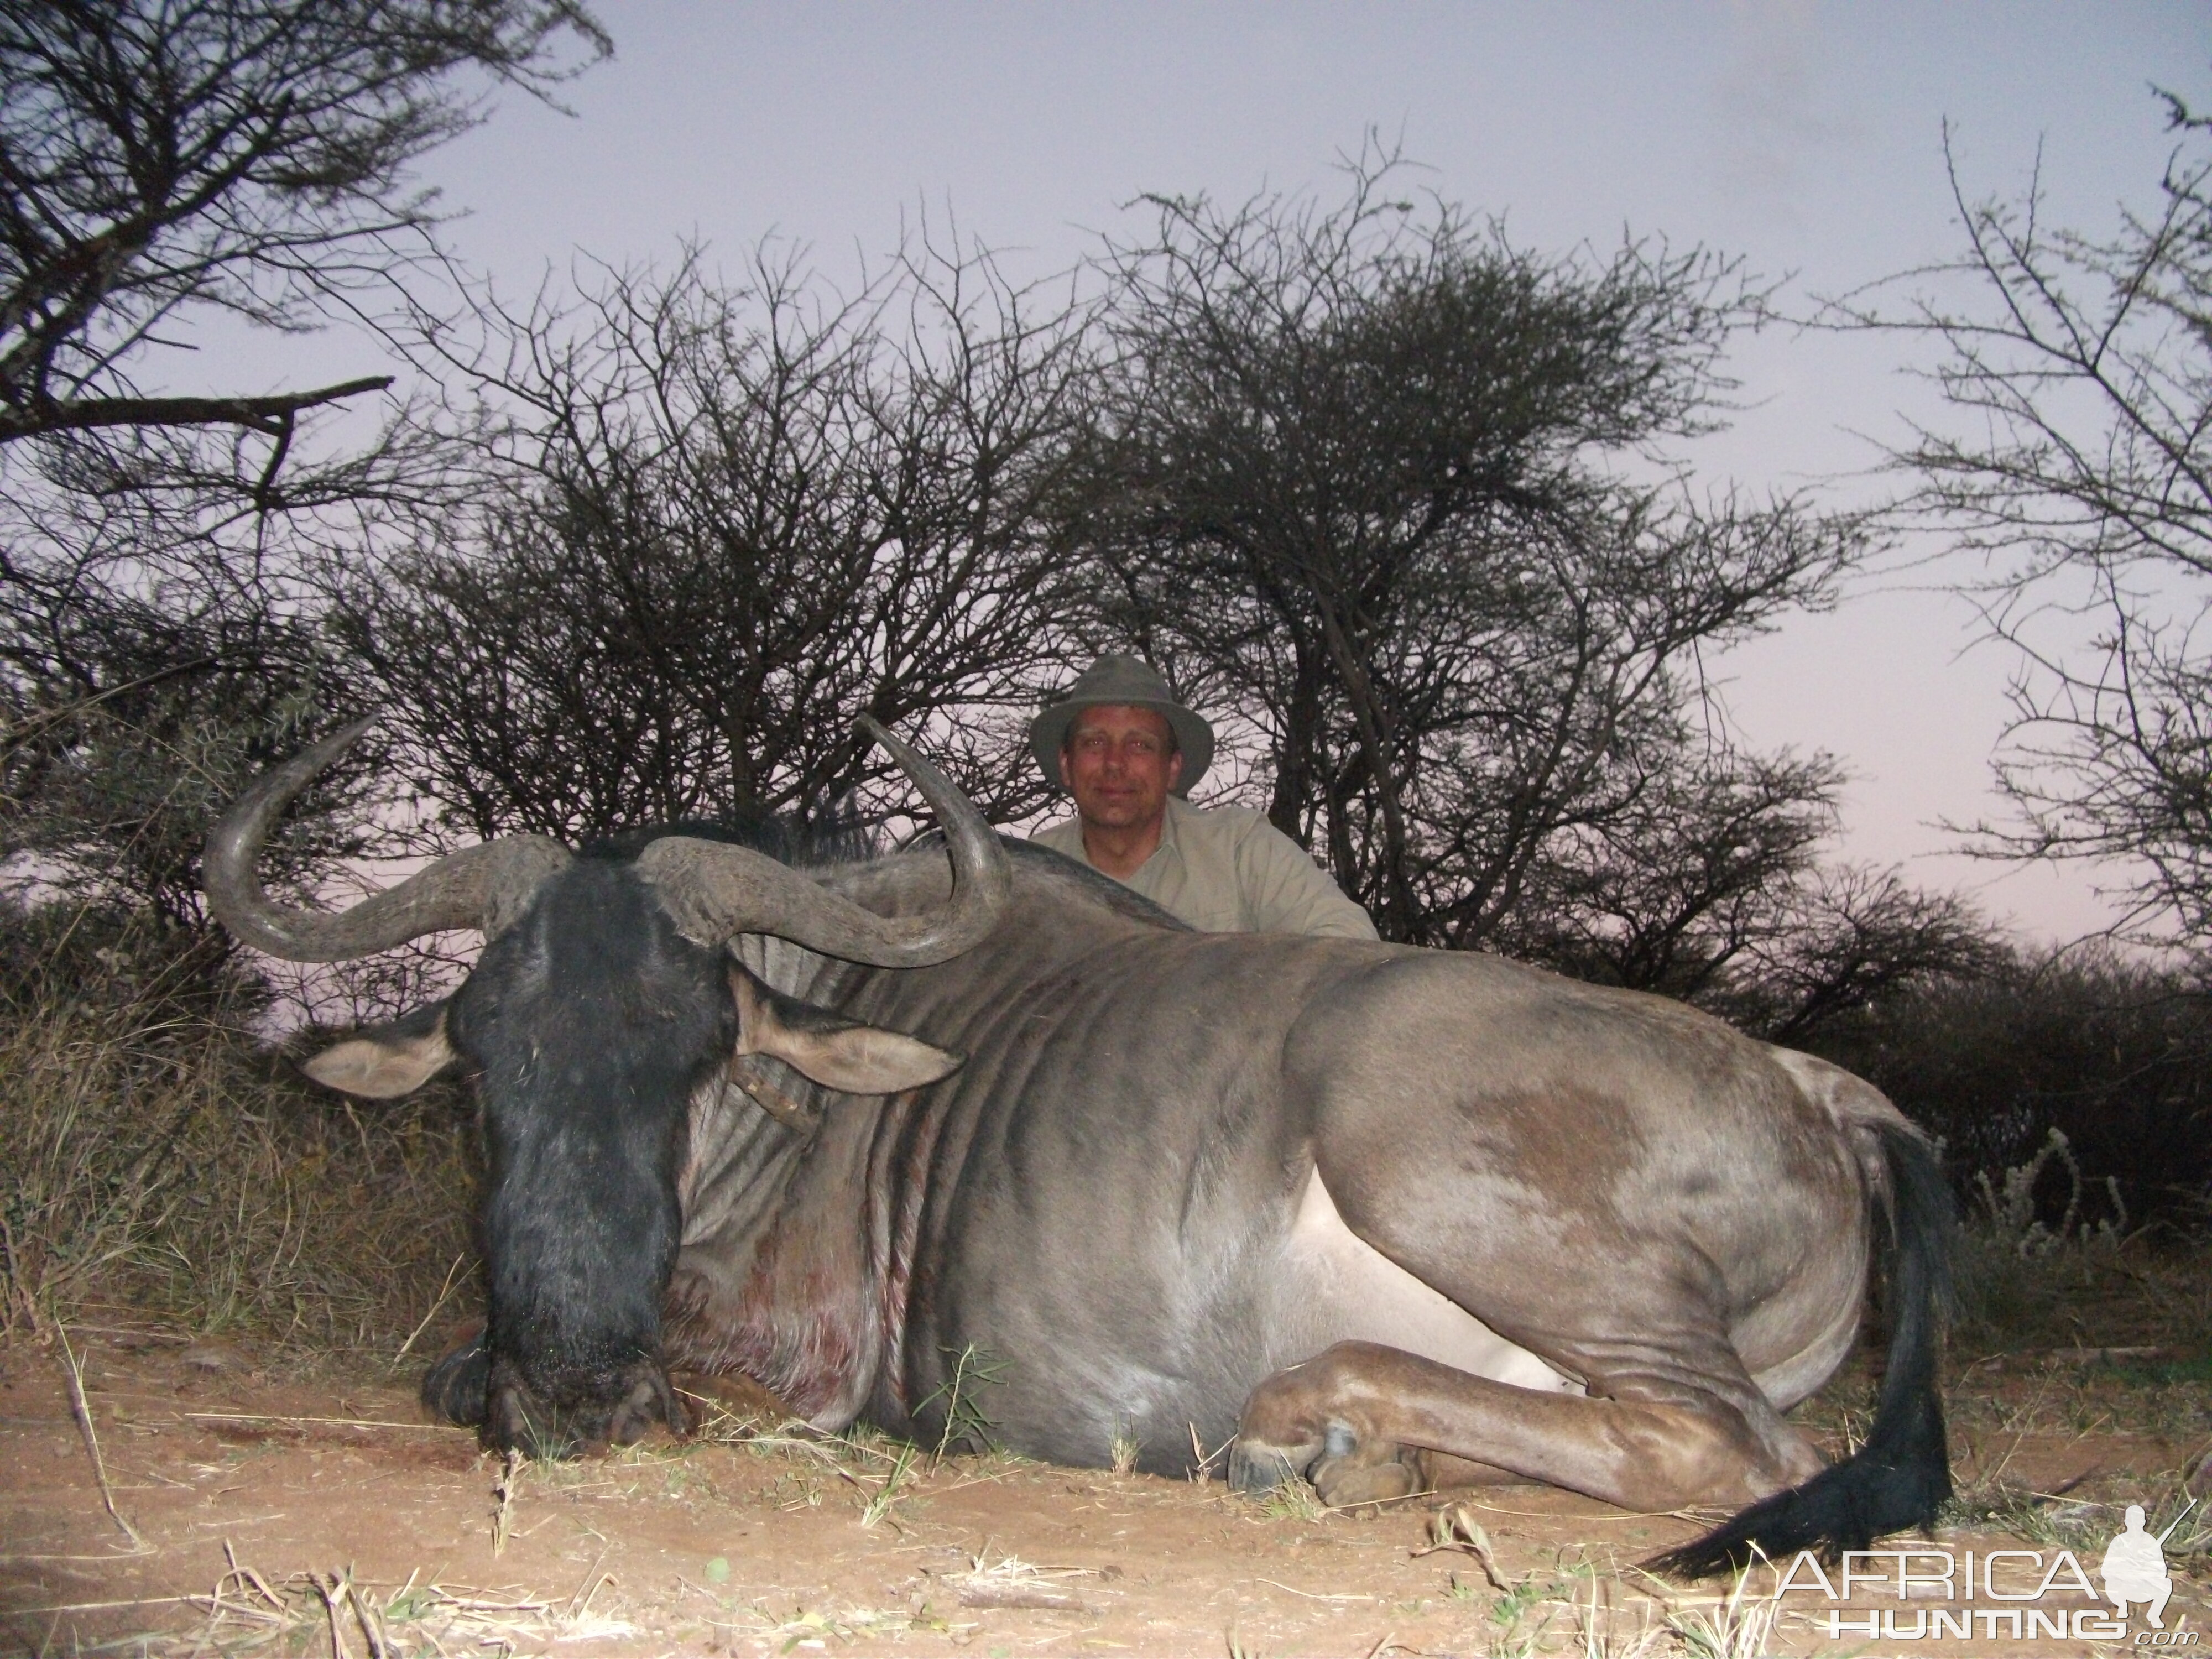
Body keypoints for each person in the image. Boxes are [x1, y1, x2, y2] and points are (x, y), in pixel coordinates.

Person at [1029, 654, 1378, 940]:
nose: (1115, 763)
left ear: (1173, 769)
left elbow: (1351, 941)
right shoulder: (1028, 877)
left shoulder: (1239, 847)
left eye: (1140, 745)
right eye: (1094, 742)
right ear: (1066, 764)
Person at [2100, 1504, 2173, 1627]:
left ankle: (2154, 1615)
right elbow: (2106, 1569)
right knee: (2111, 1583)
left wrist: (2145, 1569)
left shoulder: (2151, 1541)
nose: (2135, 1523)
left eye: (2138, 1519)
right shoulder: (2119, 1541)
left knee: (2166, 1584)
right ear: (2126, 1521)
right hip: (2123, 1586)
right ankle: (2122, 1607)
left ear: (2144, 1521)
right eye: (2132, 1520)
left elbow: (2161, 1571)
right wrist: (2124, 1570)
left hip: (2144, 1587)